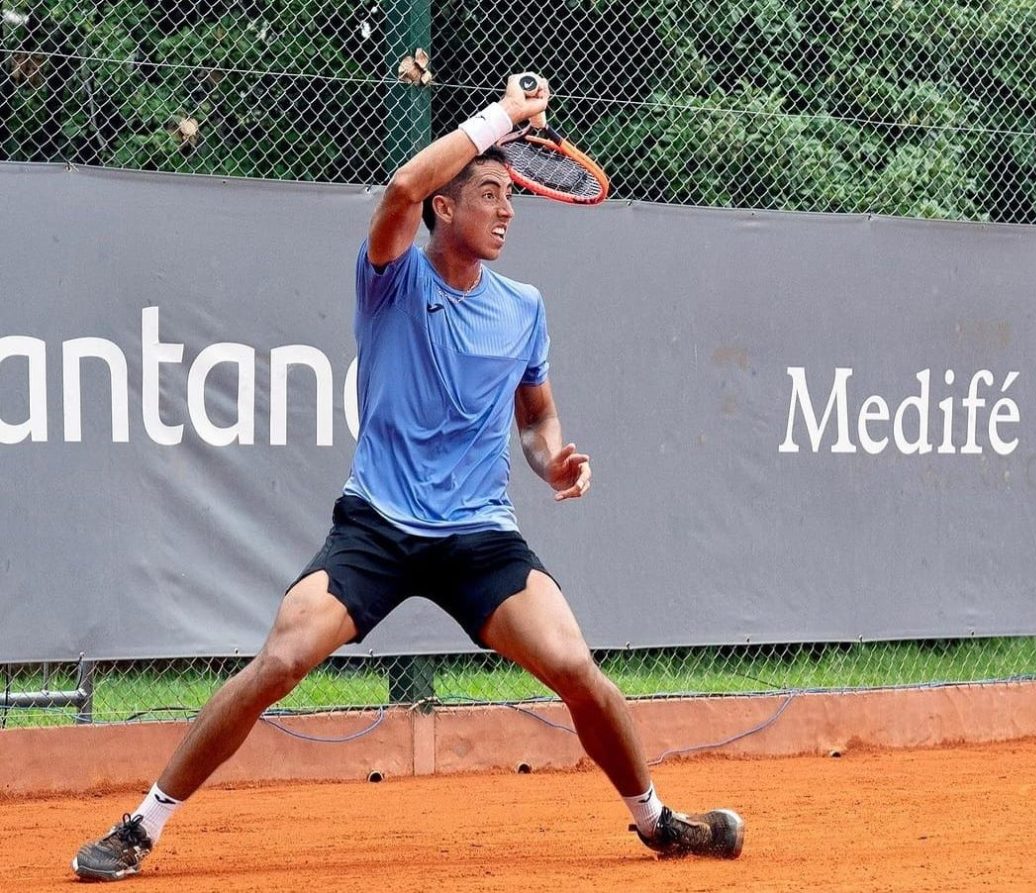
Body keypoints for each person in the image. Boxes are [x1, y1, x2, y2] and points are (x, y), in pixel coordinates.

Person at [71, 74, 744, 882]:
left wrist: (553, 459)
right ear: (443, 208)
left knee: (577, 669)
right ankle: (141, 825)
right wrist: (503, 117)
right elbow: (398, 187)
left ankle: (657, 820)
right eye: (489, 194)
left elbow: (535, 418)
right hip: (378, 526)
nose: (507, 210)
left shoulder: (523, 307)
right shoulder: (391, 277)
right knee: (280, 660)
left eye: (511, 196)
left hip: (479, 536)